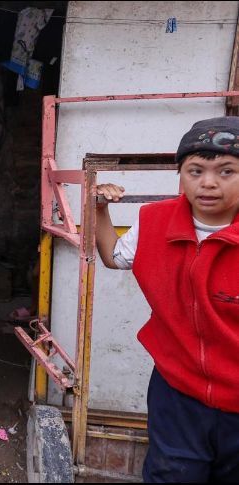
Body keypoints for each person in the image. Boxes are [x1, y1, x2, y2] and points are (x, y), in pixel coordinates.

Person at [94, 117, 239, 483]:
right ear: (180, 174)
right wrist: (98, 209)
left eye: (226, 171)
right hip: (178, 391)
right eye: (195, 170)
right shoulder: (155, 221)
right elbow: (114, 256)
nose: (208, 183)